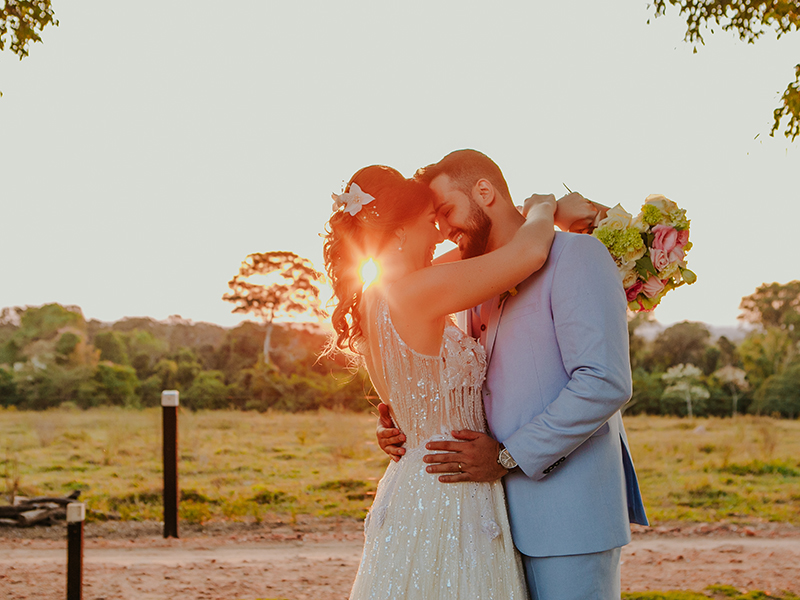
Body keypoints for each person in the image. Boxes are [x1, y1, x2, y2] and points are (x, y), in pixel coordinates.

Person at [377, 149, 649, 600]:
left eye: (446, 211)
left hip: (566, 519)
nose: (442, 230)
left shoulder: (577, 255)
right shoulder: (473, 280)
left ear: (484, 191)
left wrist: (508, 456)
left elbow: (604, 381)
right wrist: (408, 420)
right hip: (484, 524)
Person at [323, 164, 558, 599]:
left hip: (413, 479)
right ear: (398, 232)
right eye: (429, 221)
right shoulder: (418, 291)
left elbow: (476, 257)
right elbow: (526, 255)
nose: (438, 234)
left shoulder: (376, 297)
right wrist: (543, 209)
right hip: (452, 487)